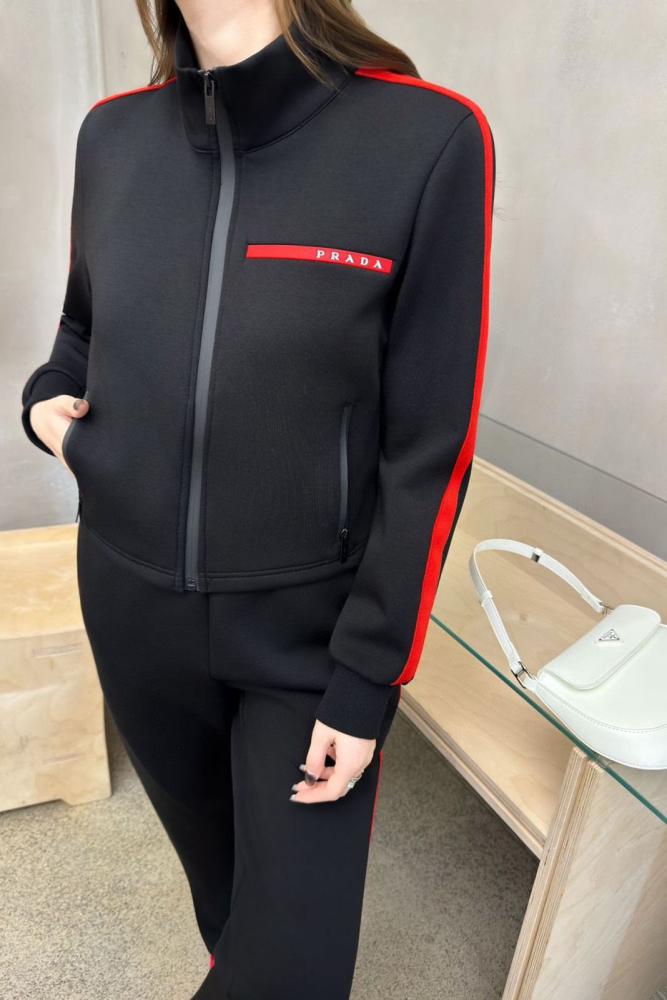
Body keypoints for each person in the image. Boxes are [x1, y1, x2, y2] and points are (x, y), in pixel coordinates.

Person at [20, 0, 495, 996]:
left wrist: (368, 678)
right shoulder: (113, 136)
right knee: (227, 904)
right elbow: (80, 331)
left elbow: (427, 452)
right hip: (131, 609)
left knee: (294, 970)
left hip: (305, 639)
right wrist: (45, 410)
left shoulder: (426, 138)